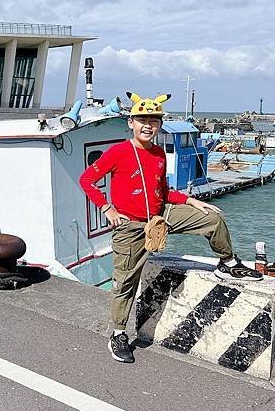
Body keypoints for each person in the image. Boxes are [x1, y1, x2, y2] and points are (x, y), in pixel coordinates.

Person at [79, 92, 263, 364]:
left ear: (159, 125)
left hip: (160, 215)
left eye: (153, 121)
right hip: (130, 225)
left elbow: (163, 191)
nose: (148, 125)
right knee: (125, 282)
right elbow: (87, 179)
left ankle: (228, 261)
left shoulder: (158, 154)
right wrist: (107, 208)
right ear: (131, 122)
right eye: (142, 120)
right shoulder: (119, 152)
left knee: (212, 219)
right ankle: (118, 333)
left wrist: (191, 201)